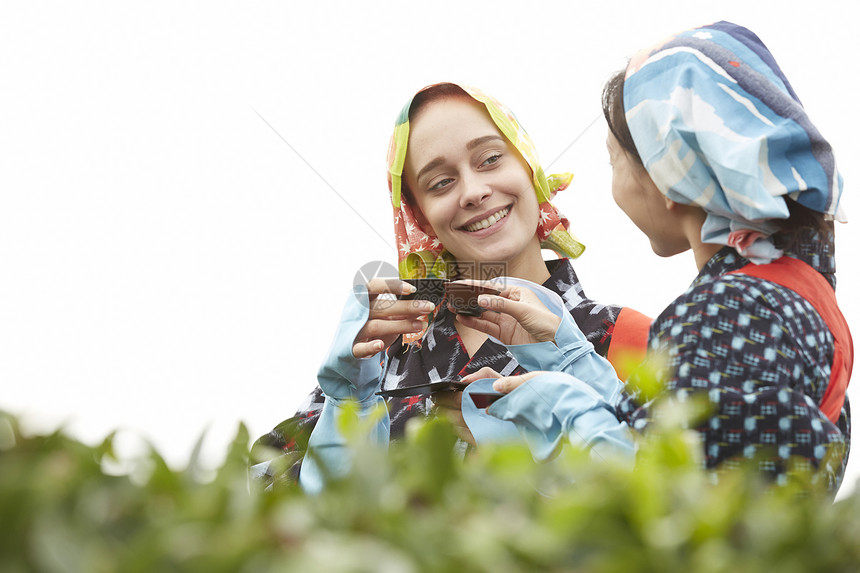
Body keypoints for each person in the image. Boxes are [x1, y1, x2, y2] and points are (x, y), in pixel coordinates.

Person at [480, 21, 851, 491]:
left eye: (614, 161)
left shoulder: (729, 314)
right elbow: (687, 431)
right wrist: (572, 356)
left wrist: (565, 411)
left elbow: (681, 504)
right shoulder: (791, 295)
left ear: (669, 173)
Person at [251, 82, 651, 491]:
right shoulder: (382, 352)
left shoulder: (625, 336)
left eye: (491, 159)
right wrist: (349, 413)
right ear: (420, 217)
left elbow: (678, 493)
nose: (474, 192)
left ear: (530, 168)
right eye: (440, 182)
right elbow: (258, 495)